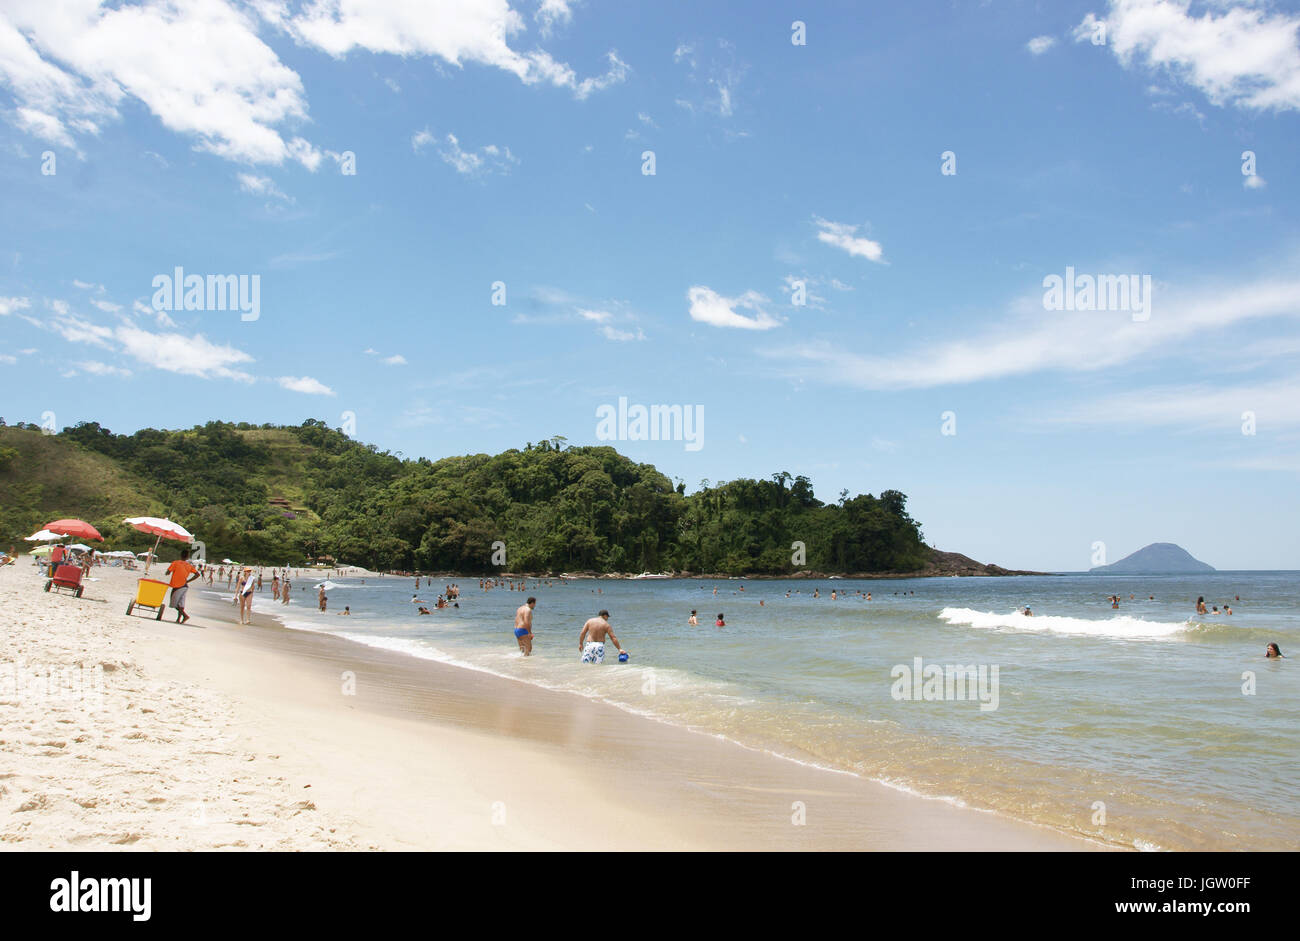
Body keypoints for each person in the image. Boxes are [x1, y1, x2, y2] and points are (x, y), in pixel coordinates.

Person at [165, 548, 200, 624]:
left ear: (180, 555)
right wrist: (188, 581)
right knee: (181, 603)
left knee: (173, 603)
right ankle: (178, 619)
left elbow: (167, 572)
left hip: (177, 586)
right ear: (187, 557)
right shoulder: (189, 565)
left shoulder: (175, 563)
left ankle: (185, 616)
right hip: (185, 586)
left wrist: (168, 572)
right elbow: (197, 574)